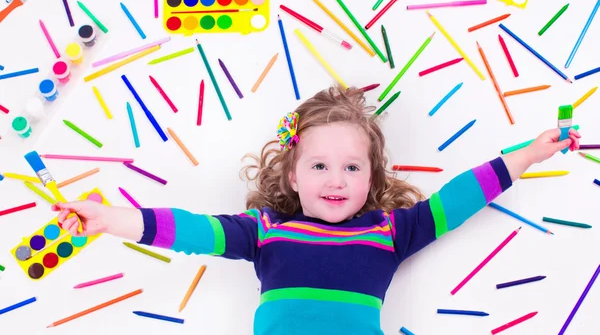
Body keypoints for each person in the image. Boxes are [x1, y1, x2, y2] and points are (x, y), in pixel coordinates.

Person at [53, 85, 580, 334]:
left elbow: (459, 198)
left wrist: (531, 152)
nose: (335, 180)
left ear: (371, 178)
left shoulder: (392, 231)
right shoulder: (265, 232)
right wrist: (110, 220)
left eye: (352, 168)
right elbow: (190, 229)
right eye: (320, 166)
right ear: (291, 176)